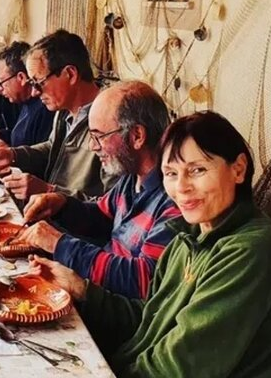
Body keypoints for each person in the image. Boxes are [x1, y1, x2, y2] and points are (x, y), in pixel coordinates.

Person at [28, 111, 271, 378]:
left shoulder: (253, 250)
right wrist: (83, 290)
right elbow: (147, 320)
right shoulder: (188, 237)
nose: (181, 188)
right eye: (171, 173)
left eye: (197, 170)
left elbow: (182, 368)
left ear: (238, 169)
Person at [20, 81, 180, 299]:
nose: (93, 146)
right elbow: (102, 217)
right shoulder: (131, 178)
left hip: (113, 310)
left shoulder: (176, 198)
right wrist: (61, 204)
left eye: (99, 136)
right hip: (94, 290)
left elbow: (144, 280)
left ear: (136, 136)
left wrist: (60, 243)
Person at [0, 29, 113, 201]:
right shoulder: (65, 110)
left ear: (70, 74)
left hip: (70, 226)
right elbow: (51, 147)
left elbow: (113, 207)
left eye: (39, 83)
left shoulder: (110, 121)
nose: (34, 92)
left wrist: (49, 191)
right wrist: (12, 155)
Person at [0, 41, 55, 147]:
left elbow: (41, 157)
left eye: (2, 82)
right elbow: (20, 137)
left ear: (21, 78)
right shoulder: (23, 101)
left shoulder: (45, 108)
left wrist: (11, 153)